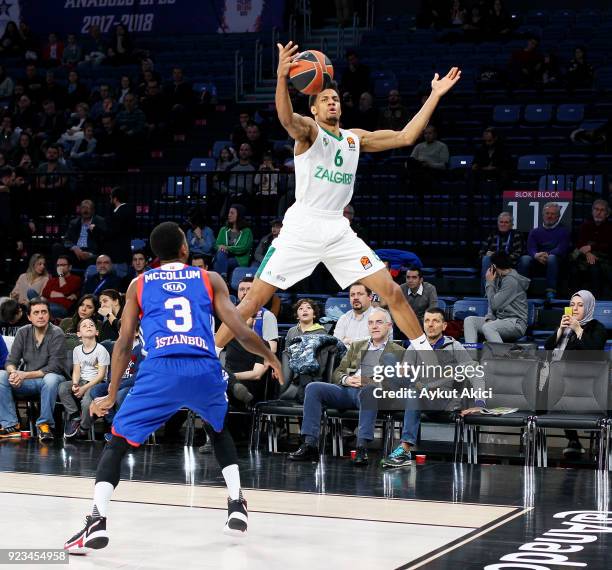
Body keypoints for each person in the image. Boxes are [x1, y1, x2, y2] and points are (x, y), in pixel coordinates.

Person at [214, 41, 461, 354]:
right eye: (324, 100)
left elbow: (405, 137)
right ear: (314, 109)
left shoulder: (354, 139)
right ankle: (206, 358)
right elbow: (287, 119)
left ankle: (426, 357)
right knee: (252, 301)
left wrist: (435, 96)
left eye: (335, 99)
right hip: (302, 225)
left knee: (392, 292)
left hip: (337, 228)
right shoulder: (308, 132)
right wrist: (280, 78)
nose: (332, 102)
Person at [64, 221, 282, 553]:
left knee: (118, 443)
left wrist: (111, 392)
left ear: (154, 256)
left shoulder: (139, 284)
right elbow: (239, 328)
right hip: (203, 367)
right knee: (217, 428)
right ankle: (236, 502)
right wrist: (271, 357)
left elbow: (123, 344)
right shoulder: (210, 278)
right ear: (185, 249)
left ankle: (98, 519)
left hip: (160, 370)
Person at [289, 308, 405, 464]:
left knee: (370, 391)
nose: (374, 326)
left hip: (371, 392)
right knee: (313, 388)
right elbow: (338, 372)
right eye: (371, 323)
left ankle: (361, 448)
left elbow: (395, 383)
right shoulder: (358, 346)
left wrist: (369, 381)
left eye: (379, 322)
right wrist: (345, 379)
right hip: (347, 390)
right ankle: (310, 445)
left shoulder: (399, 351)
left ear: (389, 326)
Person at [380, 307, 482, 468]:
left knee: (415, 391)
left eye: (435, 321)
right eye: (427, 321)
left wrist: (479, 403)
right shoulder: (415, 346)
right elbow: (405, 372)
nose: (430, 325)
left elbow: (475, 371)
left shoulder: (453, 346)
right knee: (389, 359)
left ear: (444, 325)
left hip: (442, 398)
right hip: (417, 392)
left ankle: (405, 448)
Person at [544, 290, 607, 458]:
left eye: (580, 305)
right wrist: (560, 331)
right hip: (564, 379)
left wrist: (578, 329)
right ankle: (573, 440)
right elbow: (548, 349)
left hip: (589, 380)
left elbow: (594, 350)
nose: (575, 309)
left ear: (588, 307)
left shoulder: (597, 327)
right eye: (572, 305)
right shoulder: (565, 328)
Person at [0, 298, 68, 442]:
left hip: (53, 381)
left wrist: (24, 375)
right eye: (36, 313)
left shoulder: (57, 333)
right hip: (28, 382)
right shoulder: (23, 332)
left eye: (44, 312)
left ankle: (44, 425)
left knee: (51, 378)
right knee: (1, 375)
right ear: (29, 317)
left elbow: (54, 367)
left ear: (49, 314)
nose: (41, 316)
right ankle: (11, 425)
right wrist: (13, 373)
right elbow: (11, 361)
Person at [59, 318, 110, 439]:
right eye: (84, 326)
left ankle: (83, 427)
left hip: (97, 382)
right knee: (62, 387)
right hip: (82, 380)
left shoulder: (101, 350)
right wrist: (75, 384)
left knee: (87, 401)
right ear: (78, 334)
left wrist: (83, 389)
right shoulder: (77, 350)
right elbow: (77, 370)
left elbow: (101, 375)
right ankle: (75, 415)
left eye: (91, 325)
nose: (88, 327)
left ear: (96, 332)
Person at [464, 252, 529, 344]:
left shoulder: (511, 281)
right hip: (500, 321)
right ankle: (471, 356)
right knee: (470, 321)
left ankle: (502, 356)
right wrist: (489, 318)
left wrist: (489, 282)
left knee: (488, 327)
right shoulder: (499, 278)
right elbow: (492, 303)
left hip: (515, 323)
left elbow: (494, 304)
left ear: (495, 266)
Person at [518, 202, 571, 301]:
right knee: (524, 259)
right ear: (543, 215)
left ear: (558, 216)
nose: (549, 216)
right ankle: (521, 292)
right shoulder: (535, 232)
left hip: (556, 260)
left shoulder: (564, 231)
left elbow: (561, 248)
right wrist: (536, 255)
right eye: (547, 213)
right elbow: (530, 248)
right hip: (538, 259)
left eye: (552, 214)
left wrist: (547, 254)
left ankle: (550, 291)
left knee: (552, 258)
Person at [572, 199, 611, 298]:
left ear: (607, 214)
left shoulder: (610, 227)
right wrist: (588, 253)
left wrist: (591, 247)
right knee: (575, 267)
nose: (599, 212)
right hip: (585, 258)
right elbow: (580, 243)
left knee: (596, 268)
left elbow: (608, 245)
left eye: (602, 210)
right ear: (592, 211)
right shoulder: (585, 225)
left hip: (604, 258)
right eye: (596, 209)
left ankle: (597, 300)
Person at [478, 211, 524, 294]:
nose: (503, 224)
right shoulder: (492, 235)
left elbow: (517, 254)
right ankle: (486, 293)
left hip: (509, 266)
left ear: (511, 225)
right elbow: (481, 254)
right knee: (485, 259)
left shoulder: (516, 235)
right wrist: (487, 255)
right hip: (493, 266)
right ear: (498, 223)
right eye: (501, 222)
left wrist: (496, 256)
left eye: (506, 222)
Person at [53, 200, 106, 268]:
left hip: (90, 252)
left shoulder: (100, 221)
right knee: (56, 247)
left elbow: (103, 241)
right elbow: (66, 239)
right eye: (83, 208)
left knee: (93, 259)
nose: (85, 210)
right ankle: (57, 275)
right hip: (75, 252)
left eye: (88, 208)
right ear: (80, 210)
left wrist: (90, 254)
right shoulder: (74, 222)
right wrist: (74, 248)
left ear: (93, 210)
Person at [212, 205, 253, 282]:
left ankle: (220, 282)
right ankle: (223, 278)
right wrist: (221, 247)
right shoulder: (223, 230)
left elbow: (243, 248)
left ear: (239, 215)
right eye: (229, 213)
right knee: (221, 253)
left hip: (239, 259)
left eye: (232, 213)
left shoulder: (246, 231)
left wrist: (227, 248)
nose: (229, 215)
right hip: (224, 256)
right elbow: (216, 245)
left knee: (218, 264)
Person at [105, 186, 135, 278]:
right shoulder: (123, 211)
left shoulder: (121, 212)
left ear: (115, 199)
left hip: (119, 255)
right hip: (117, 254)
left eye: (111, 197)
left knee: (118, 280)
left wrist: (96, 229)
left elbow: (113, 232)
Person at [334, 282, 375, 347]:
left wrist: (349, 341)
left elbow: (377, 344)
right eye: (352, 295)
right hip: (346, 356)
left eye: (360, 294)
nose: (355, 297)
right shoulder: (344, 318)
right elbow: (336, 344)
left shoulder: (379, 317)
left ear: (370, 297)